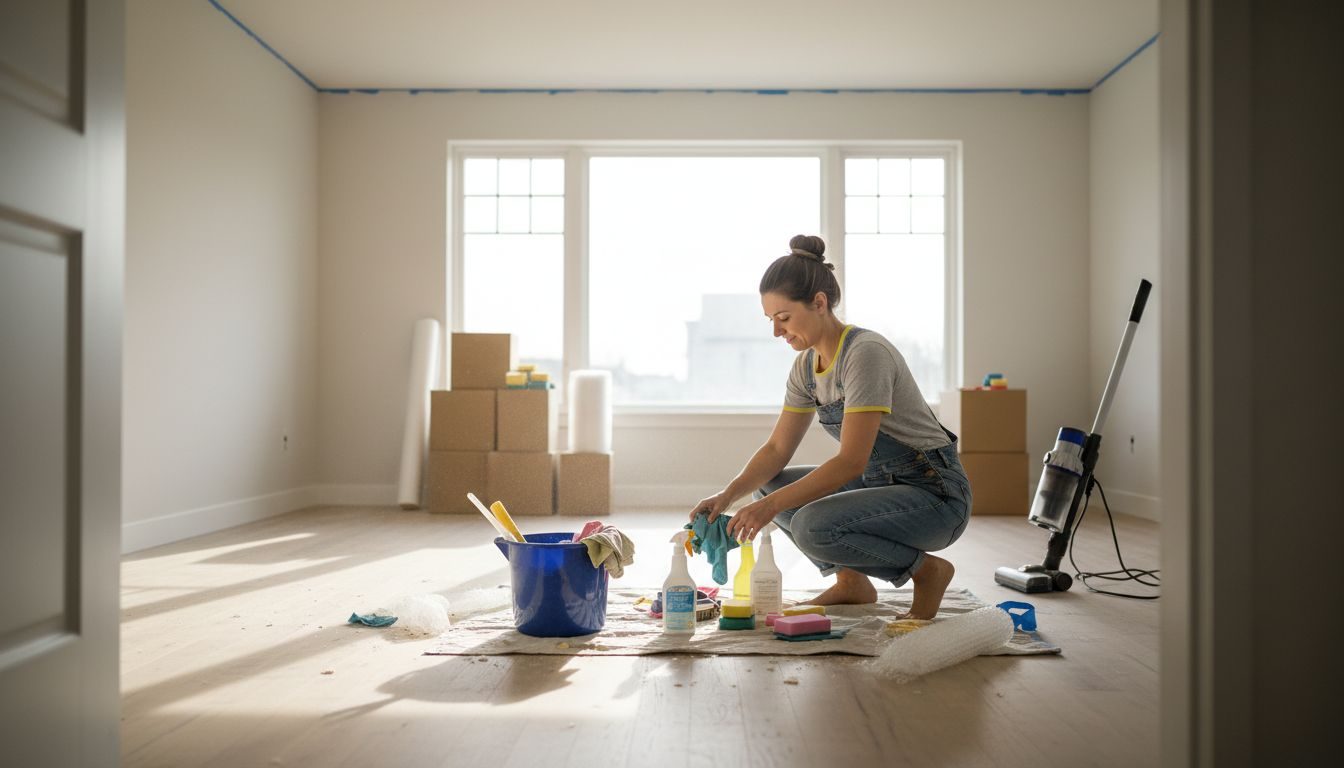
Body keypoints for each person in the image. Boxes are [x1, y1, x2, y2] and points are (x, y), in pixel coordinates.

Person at [688, 234, 972, 619]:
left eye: (784, 318)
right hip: (880, 487)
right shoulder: (806, 367)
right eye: (771, 320)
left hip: (934, 496)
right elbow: (775, 451)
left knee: (810, 525)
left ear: (819, 303)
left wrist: (769, 509)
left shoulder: (865, 354)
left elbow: (851, 461)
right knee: (771, 484)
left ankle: (928, 572)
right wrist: (728, 495)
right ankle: (851, 584)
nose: (776, 332)